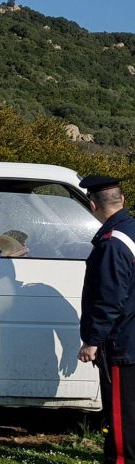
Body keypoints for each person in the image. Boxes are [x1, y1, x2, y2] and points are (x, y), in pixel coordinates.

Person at [77, 175, 135, 463]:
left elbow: (110, 298)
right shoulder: (131, 231)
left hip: (123, 343)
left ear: (92, 205)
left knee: (122, 418)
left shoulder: (112, 243)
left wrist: (93, 340)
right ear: (122, 200)